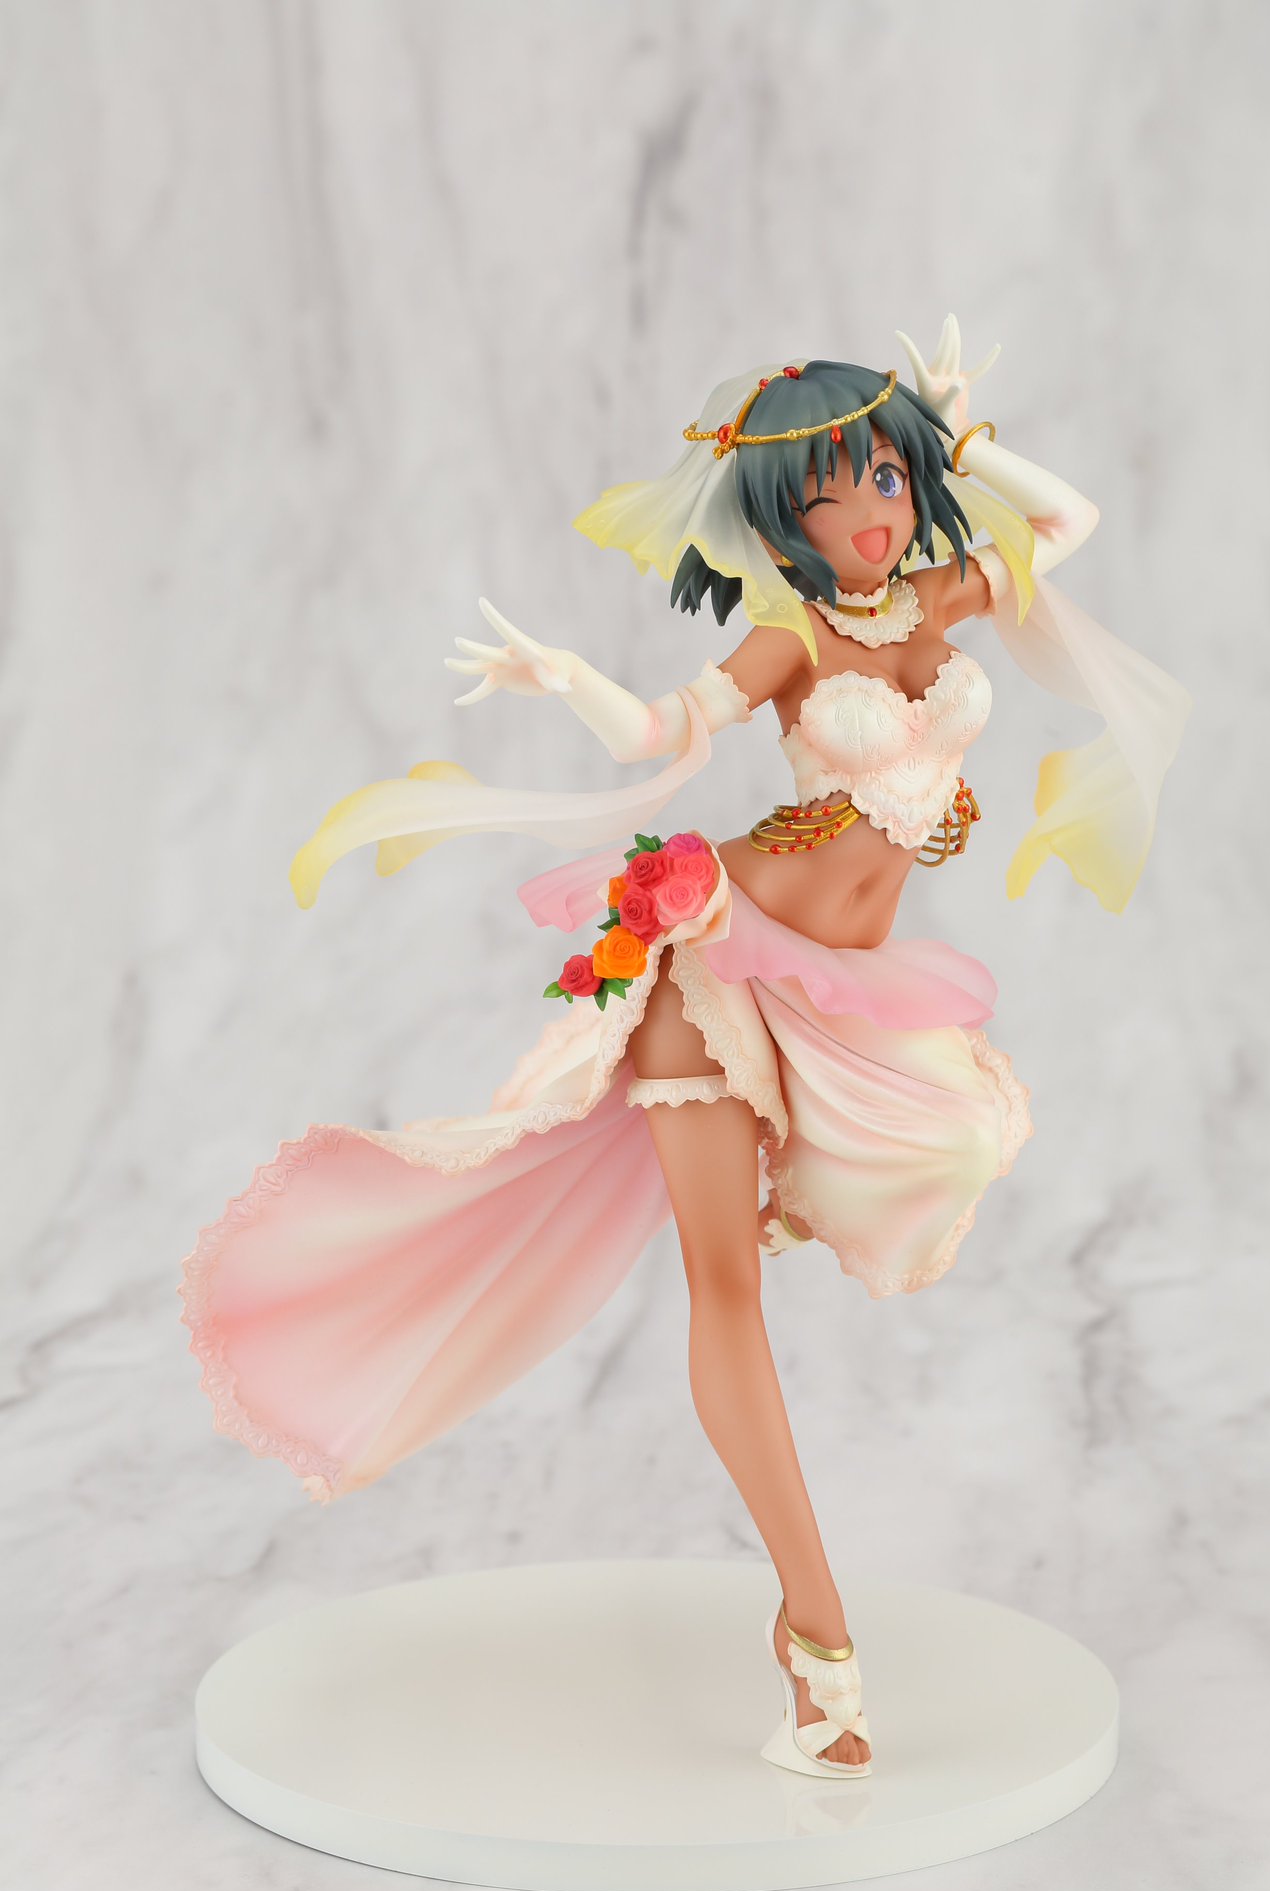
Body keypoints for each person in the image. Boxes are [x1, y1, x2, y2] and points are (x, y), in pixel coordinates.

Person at [180, 317, 1191, 1779]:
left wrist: (965, 435)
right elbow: (659, 729)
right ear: (783, 522)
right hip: (715, 963)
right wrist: (562, 678)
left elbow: (1070, 523)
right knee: (727, 1292)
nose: (868, 515)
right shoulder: (793, 635)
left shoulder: (939, 595)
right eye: (829, 497)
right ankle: (817, 1639)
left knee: (967, 1136)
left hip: (842, 989)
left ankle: (795, 1192)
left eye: (887, 481)